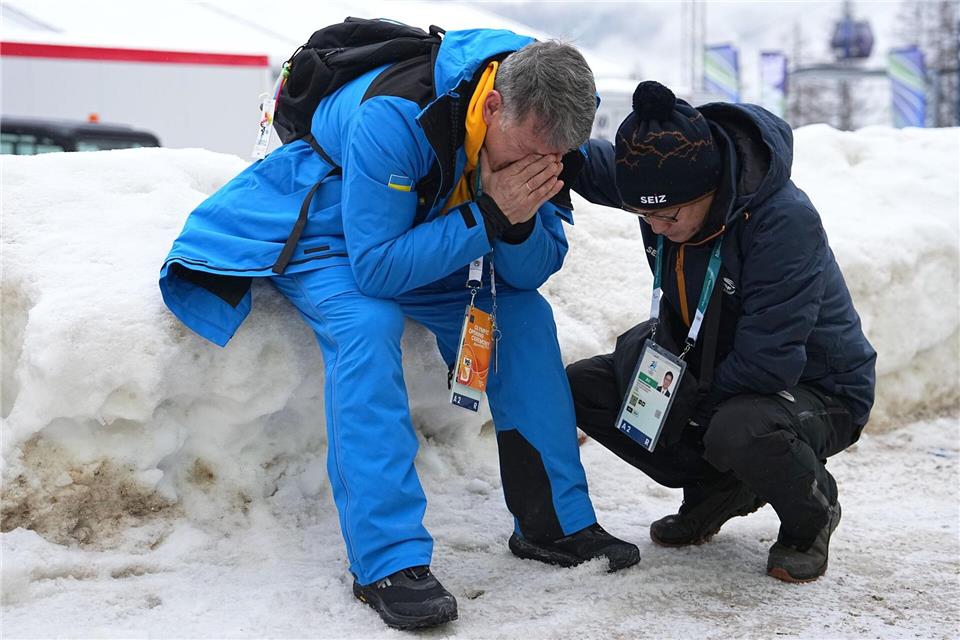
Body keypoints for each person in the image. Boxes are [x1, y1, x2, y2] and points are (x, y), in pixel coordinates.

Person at [159, 26, 639, 631]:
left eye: (551, 161)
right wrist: (490, 212)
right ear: (493, 105)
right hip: (337, 226)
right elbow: (377, 267)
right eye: (523, 154)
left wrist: (514, 224)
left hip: (442, 222)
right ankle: (388, 561)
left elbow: (532, 272)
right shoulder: (397, 116)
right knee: (367, 323)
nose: (534, 169)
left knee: (523, 316)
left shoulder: (539, 138)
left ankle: (554, 523)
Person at [569, 81, 876, 583]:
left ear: (712, 189)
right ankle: (720, 488)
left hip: (815, 387)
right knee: (586, 388)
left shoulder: (783, 223)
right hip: (714, 368)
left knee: (736, 428)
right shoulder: (661, 189)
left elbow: (769, 362)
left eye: (669, 215)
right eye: (644, 215)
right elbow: (582, 159)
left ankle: (812, 513)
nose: (658, 227)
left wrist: (679, 406)